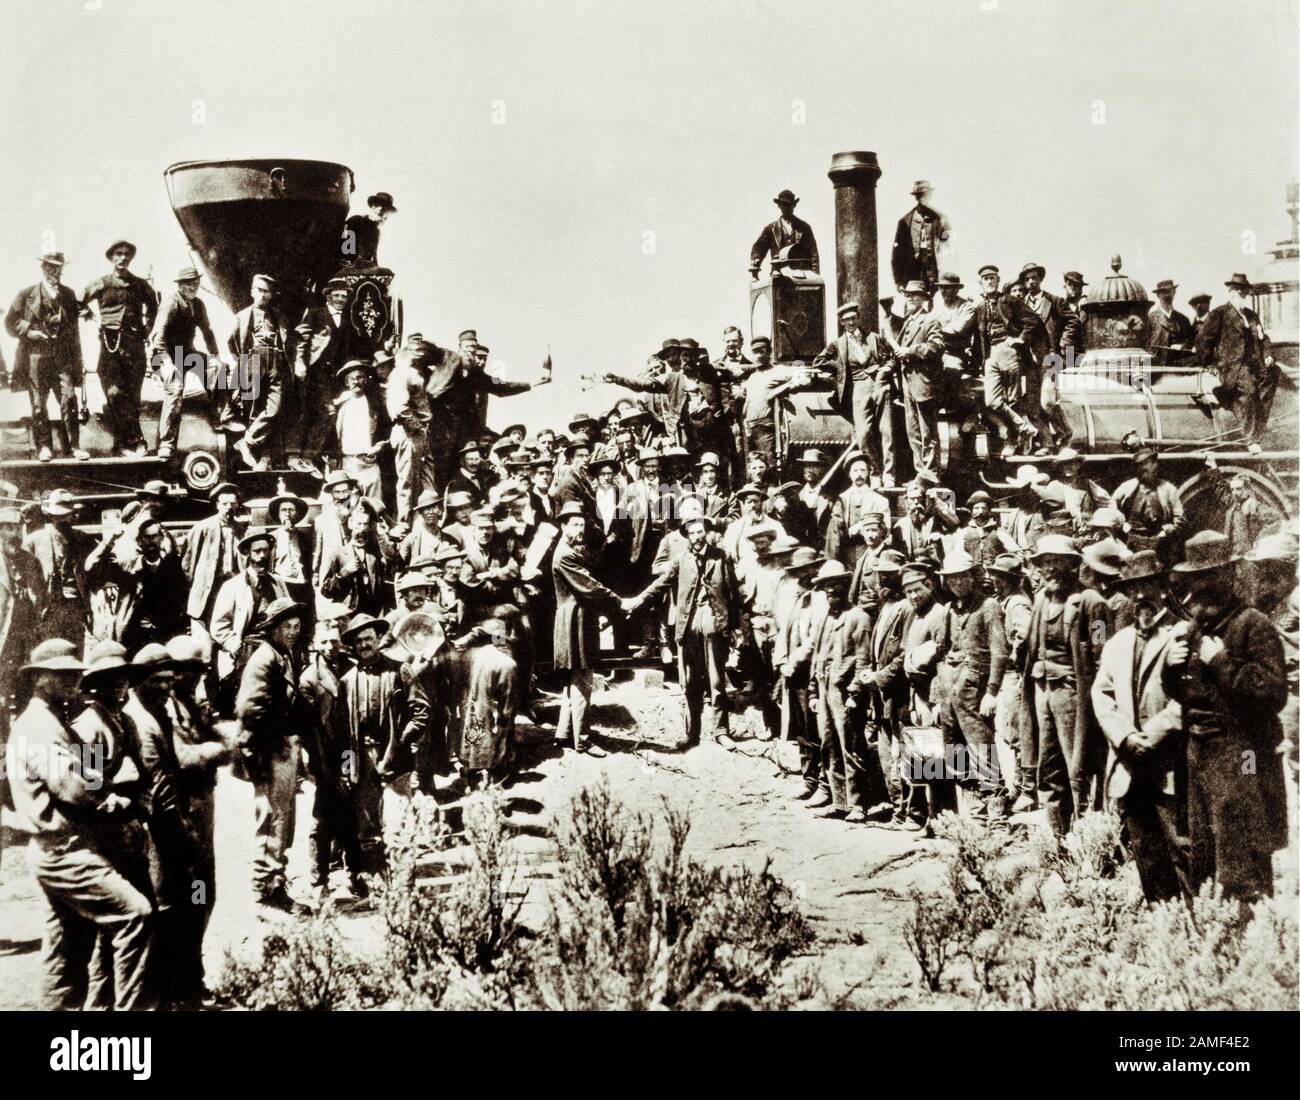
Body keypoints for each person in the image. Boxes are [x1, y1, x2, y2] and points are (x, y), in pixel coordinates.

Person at [6, 640, 155, 1009]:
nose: (73, 681)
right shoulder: (40, 725)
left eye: (74, 674)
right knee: (135, 915)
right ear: (39, 679)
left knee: (65, 947)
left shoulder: (58, 721)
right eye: (62, 675)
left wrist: (103, 786)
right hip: (63, 850)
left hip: (62, 847)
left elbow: (87, 772)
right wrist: (109, 799)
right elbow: (69, 785)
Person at [1166, 532, 1288, 902]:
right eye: (1194, 578)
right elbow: (1185, 693)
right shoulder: (1194, 629)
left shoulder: (1253, 625)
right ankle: (1211, 936)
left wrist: (1220, 661)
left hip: (1245, 754)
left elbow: (1272, 693)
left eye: (1210, 576)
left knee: (1243, 854)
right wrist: (1170, 671)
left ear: (1228, 577)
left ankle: (1250, 937)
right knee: (1203, 852)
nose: (1200, 588)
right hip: (1200, 752)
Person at [1089, 551, 1191, 903]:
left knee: (1182, 850)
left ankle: (1193, 935)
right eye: (1132, 589)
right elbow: (1101, 694)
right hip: (1130, 764)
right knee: (1145, 851)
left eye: (1146, 587)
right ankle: (1160, 925)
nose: (1139, 597)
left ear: (1162, 588)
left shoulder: (1181, 634)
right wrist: (1125, 736)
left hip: (1169, 764)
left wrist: (1156, 733)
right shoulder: (1117, 643)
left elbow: (1190, 696)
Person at [1019, 534, 1111, 836]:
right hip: (1042, 692)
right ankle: (1058, 838)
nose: (1051, 568)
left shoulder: (1091, 603)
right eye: (1045, 562)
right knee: (1049, 767)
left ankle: (1089, 840)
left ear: (1072, 565)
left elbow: (1100, 654)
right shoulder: (1042, 599)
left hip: (1074, 695)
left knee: (1079, 768)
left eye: (1057, 561)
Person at [631, 514, 744, 747]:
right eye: (692, 533)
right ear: (687, 537)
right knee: (690, 681)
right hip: (688, 625)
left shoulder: (721, 558)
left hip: (714, 623)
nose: (697, 538)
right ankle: (692, 733)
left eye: (700, 532)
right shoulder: (681, 560)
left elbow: (733, 595)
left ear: (707, 534)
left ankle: (721, 731)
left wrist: (734, 629)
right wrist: (637, 600)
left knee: (716, 680)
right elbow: (659, 584)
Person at [235, 597, 310, 913]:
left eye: (296, 626)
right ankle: (265, 892)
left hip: (283, 748)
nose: (292, 632)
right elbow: (250, 710)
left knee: (283, 821)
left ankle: (276, 884)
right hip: (270, 751)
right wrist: (264, 756)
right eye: (286, 627)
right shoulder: (265, 659)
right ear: (274, 629)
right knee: (271, 822)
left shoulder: (284, 655)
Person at [935, 550, 1008, 820]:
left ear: (972, 577)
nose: (956, 583)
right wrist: (938, 694)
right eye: (951, 579)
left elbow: (1000, 653)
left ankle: (997, 812)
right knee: (954, 749)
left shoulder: (988, 607)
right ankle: (975, 809)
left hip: (974, 691)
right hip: (949, 691)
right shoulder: (948, 610)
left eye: (961, 578)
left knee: (982, 747)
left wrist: (991, 693)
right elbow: (941, 652)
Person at [299, 617, 367, 900]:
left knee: (351, 817)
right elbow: (310, 734)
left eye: (334, 641)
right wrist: (329, 773)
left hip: (348, 752)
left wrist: (348, 771)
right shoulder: (309, 679)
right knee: (321, 822)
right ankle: (318, 882)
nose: (330, 647)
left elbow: (353, 728)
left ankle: (355, 876)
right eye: (324, 641)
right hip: (323, 758)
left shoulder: (351, 670)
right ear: (316, 643)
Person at [550, 502, 626, 755]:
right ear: (563, 526)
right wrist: (619, 603)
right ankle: (582, 739)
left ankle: (563, 733)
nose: (580, 530)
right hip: (576, 621)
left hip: (575, 618)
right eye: (574, 525)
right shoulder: (566, 555)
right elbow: (590, 587)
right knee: (583, 679)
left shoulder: (570, 550)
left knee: (574, 679)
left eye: (582, 524)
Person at [6, 251, 89, 461]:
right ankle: (44, 447)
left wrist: (78, 361)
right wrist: (29, 330)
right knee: (38, 402)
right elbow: (10, 322)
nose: (55, 271)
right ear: (43, 268)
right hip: (36, 357)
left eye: (58, 267)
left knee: (69, 399)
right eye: (51, 267)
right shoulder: (27, 295)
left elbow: (74, 332)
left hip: (63, 357)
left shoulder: (69, 295)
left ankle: (74, 447)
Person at [808, 561, 874, 823]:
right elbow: (817, 656)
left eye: (835, 585)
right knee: (828, 745)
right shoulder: (826, 617)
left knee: (851, 746)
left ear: (845, 585)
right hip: (825, 692)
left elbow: (863, 660)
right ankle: (840, 802)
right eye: (826, 586)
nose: (830, 590)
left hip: (844, 693)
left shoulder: (858, 617)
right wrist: (813, 692)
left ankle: (858, 804)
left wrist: (855, 694)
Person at [81, 239, 157, 457]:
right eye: (118, 254)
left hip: (134, 347)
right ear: (111, 257)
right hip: (109, 346)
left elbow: (154, 306)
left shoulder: (140, 284)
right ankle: (136, 439)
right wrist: (87, 314)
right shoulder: (102, 283)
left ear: (130, 258)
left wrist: (146, 329)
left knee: (133, 396)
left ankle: (122, 445)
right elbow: (78, 301)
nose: (122, 258)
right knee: (114, 394)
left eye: (126, 254)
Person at [1194, 272, 1277, 453]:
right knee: (1249, 390)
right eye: (1239, 292)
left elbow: (1265, 338)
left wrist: (1268, 353)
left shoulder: (1251, 316)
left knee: (1273, 374)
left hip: (1254, 363)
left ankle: (1259, 425)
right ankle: (1251, 439)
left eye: (1244, 292)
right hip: (1232, 366)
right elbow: (1202, 341)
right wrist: (1211, 365)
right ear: (1230, 292)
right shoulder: (1220, 314)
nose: (1242, 295)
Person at [812, 301, 893, 481]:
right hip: (858, 388)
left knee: (887, 431)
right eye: (846, 320)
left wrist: (883, 372)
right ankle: (875, 472)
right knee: (863, 433)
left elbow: (891, 359)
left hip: (880, 385)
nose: (851, 322)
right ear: (841, 322)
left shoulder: (874, 338)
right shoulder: (838, 344)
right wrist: (841, 367)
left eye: (853, 318)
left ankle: (889, 475)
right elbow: (818, 361)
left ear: (858, 318)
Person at [148, 266, 220, 459]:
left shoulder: (198, 304)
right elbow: (159, 337)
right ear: (180, 285)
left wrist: (215, 355)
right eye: (188, 283)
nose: (193, 286)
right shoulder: (171, 303)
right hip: (162, 354)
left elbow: (208, 332)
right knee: (175, 386)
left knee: (216, 369)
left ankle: (219, 416)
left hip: (185, 353)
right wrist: (167, 364)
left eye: (196, 282)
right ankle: (167, 442)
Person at [226, 274, 296, 471]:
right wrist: (243, 363)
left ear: (272, 295)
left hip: (276, 361)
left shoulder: (279, 316)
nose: (263, 295)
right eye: (259, 290)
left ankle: (247, 442)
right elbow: (232, 342)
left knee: (275, 408)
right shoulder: (242, 316)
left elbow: (289, 342)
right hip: (253, 360)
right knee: (254, 410)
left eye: (267, 291)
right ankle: (263, 458)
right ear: (252, 292)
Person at [210, 529, 290, 690]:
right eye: (257, 551)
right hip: (248, 650)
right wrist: (238, 648)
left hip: (276, 649)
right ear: (248, 553)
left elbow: (289, 613)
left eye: (265, 551)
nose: (262, 556)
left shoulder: (278, 582)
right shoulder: (233, 586)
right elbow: (218, 626)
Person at [291, 278, 353, 471]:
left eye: (344, 296)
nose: (341, 299)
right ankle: (304, 456)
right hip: (315, 372)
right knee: (325, 412)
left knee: (328, 412)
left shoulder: (347, 320)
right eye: (337, 295)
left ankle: (317, 457)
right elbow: (301, 339)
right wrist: (299, 362)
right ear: (328, 296)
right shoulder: (316, 314)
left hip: (334, 376)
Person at [886, 281, 944, 480]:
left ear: (924, 299)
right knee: (914, 433)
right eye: (908, 295)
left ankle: (931, 472)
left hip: (923, 384)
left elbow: (936, 346)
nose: (910, 298)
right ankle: (922, 472)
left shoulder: (930, 320)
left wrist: (909, 351)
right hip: (908, 385)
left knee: (927, 432)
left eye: (915, 295)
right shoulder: (908, 322)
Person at [23, 489, 90, 645]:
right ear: (50, 515)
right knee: (50, 652)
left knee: (74, 651)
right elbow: (27, 578)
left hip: (75, 606)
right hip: (48, 607)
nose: (62, 519)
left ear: (73, 515)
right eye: (58, 515)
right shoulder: (33, 541)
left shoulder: (82, 539)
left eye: (66, 515)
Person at [738, 336, 817, 459]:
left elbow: (805, 378)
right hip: (748, 429)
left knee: (769, 464)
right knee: (751, 467)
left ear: (769, 352)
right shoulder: (752, 377)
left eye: (761, 351)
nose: (758, 356)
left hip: (765, 427)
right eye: (755, 352)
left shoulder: (779, 370)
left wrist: (782, 389)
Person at [1111, 446, 1186, 564]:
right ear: (1137, 469)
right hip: (1132, 540)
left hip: (1160, 541)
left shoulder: (1168, 489)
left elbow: (1180, 517)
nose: (1147, 468)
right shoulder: (1127, 487)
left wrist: (1168, 530)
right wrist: (1122, 524)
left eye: (1150, 464)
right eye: (1142, 465)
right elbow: (1111, 506)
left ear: (1156, 466)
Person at [320, 508, 395, 617]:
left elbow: (394, 565)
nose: (361, 529)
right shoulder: (338, 554)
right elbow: (326, 592)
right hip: (348, 613)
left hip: (373, 612)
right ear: (350, 523)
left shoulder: (376, 553)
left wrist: (382, 534)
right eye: (358, 524)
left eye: (365, 524)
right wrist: (343, 573)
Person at [826, 456, 889, 573]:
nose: (859, 474)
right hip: (847, 554)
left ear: (868, 473)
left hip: (870, 551)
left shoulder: (880, 500)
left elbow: (886, 528)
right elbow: (836, 530)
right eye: (855, 471)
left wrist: (861, 525)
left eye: (862, 470)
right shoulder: (842, 499)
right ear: (850, 474)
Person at [890, 180, 949, 292]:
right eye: (920, 195)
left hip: (936, 273)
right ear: (916, 197)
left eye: (926, 195)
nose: (923, 198)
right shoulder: (905, 221)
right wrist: (898, 280)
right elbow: (897, 254)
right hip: (913, 274)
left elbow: (949, 250)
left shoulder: (941, 219)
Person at [749, 188, 819, 278]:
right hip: (779, 276)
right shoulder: (771, 229)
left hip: (802, 277)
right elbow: (759, 246)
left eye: (790, 204)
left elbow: (814, 255)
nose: (787, 207)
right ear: (779, 206)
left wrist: (815, 277)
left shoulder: (804, 228)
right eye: (784, 204)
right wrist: (756, 258)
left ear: (794, 205)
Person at [342, 191, 396, 267]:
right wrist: (352, 262)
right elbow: (346, 247)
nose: (384, 216)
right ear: (374, 206)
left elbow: (373, 257)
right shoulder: (356, 221)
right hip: (347, 267)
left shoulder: (376, 231)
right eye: (382, 210)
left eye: (387, 212)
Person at [1147, 279, 1194, 367]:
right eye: (1164, 292)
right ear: (1158, 295)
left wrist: (1183, 346)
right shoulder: (1150, 318)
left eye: (1170, 291)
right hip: (1156, 366)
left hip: (1179, 367)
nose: (1167, 295)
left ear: (1174, 292)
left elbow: (1191, 341)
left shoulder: (1183, 319)